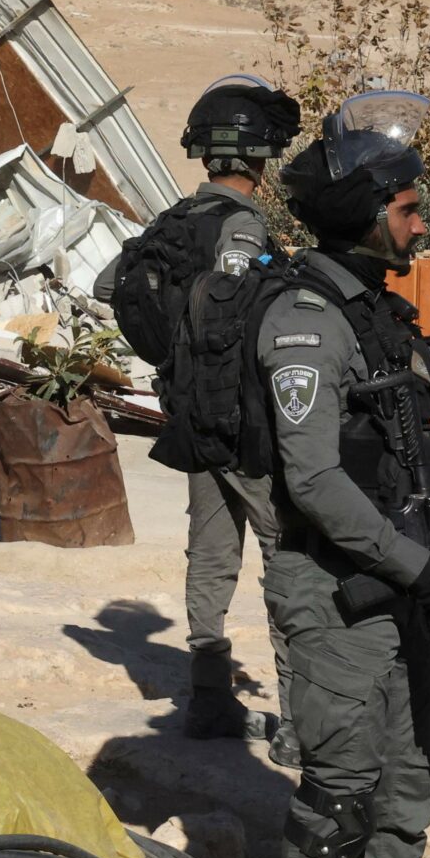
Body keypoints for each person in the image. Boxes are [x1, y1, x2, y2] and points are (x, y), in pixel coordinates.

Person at [262, 90, 430, 858]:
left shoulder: (373, 312)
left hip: (395, 574)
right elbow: (313, 480)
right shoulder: (307, 321)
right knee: (340, 800)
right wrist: (421, 569)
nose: (421, 225)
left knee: (408, 792)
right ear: (367, 212)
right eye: (409, 209)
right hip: (335, 589)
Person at [159, 75, 305, 762]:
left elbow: (111, 287)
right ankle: (301, 724)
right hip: (244, 424)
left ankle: (208, 699)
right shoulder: (241, 226)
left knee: (211, 557)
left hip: (190, 419)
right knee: (288, 555)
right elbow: (238, 301)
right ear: (255, 157)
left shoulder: (171, 222)